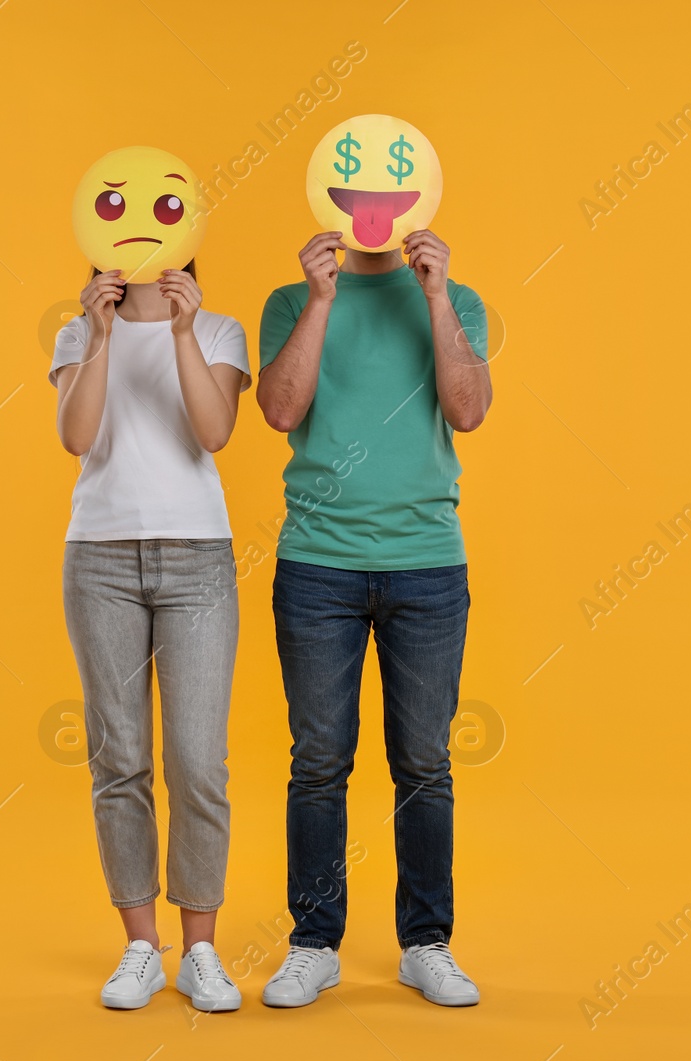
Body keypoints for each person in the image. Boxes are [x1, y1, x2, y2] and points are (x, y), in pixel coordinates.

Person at [255, 227, 492, 1008]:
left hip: (427, 561)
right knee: (319, 760)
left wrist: (433, 295)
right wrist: (322, 300)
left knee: (424, 760)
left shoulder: (455, 300)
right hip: (318, 563)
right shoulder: (291, 300)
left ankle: (426, 942)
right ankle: (314, 943)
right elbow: (280, 410)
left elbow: (470, 410)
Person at [51, 258, 250, 1012]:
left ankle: (201, 947)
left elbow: (214, 430)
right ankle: (141, 945)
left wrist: (183, 329)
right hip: (99, 558)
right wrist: (99, 334)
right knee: (120, 757)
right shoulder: (77, 330)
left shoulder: (218, 327)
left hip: (198, 556)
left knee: (198, 759)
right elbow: (76, 436)